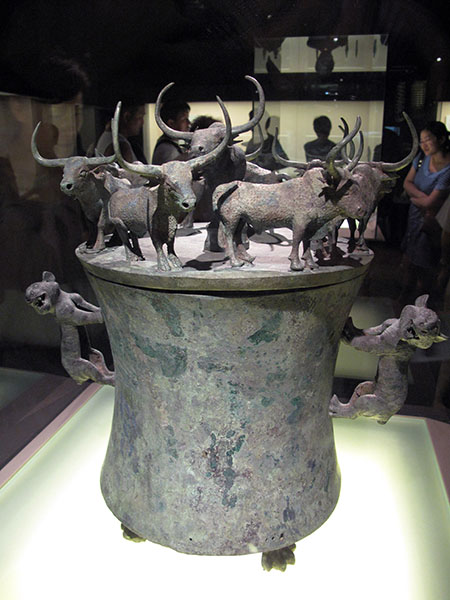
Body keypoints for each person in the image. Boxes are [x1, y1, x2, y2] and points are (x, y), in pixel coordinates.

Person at [400, 121, 450, 304]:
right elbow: (407, 183)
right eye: (421, 141)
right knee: (409, 260)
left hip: (433, 222)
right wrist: (422, 199)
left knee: (426, 265)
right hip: (415, 217)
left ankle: (424, 304)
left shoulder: (448, 169)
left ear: (441, 139)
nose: (424, 145)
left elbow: (431, 202)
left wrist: (415, 198)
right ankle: (405, 299)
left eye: (428, 139)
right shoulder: (421, 158)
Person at [151, 100, 190, 165]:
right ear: (171, 123)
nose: (189, 123)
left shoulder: (170, 145)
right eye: (184, 119)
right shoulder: (167, 149)